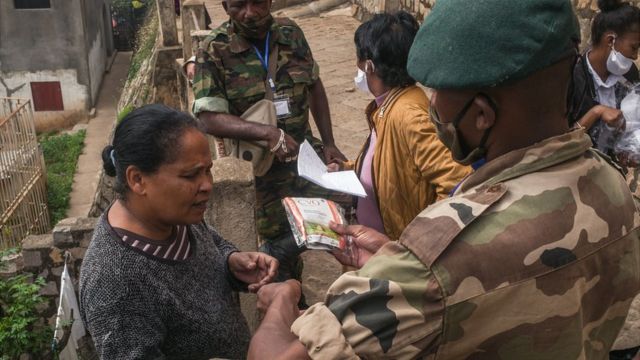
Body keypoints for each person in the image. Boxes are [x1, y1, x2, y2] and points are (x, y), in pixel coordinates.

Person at [248, 0, 640, 358]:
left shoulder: (441, 254)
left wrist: (282, 300)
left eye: (436, 92)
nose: (430, 103)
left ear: (482, 115)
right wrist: (401, 260)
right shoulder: (613, 186)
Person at [79, 105, 278, 359]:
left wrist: (230, 262)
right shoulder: (115, 281)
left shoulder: (176, 214)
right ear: (138, 180)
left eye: (208, 170)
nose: (207, 185)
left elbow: (211, 242)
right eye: (191, 175)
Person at [192, 0, 346, 288]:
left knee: (343, 210)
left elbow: (314, 85)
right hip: (262, 172)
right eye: (239, 6)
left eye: (258, 3)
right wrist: (268, 134)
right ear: (225, 6)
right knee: (279, 249)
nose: (250, 13)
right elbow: (207, 117)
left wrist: (329, 142)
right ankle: (291, 302)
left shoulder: (291, 33)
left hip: (305, 156)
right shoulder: (214, 50)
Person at [332, 11, 470, 240]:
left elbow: (457, 183)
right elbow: (389, 161)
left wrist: (415, 245)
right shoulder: (387, 106)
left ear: (369, 66)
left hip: (398, 253)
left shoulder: (408, 115)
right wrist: (348, 168)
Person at [569, 0, 640, 159]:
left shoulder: (629, 75)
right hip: (575, 174)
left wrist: (628, 151)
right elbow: (560, 142)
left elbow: (632, 126)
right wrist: (596, 112)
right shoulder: (572, 78)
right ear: (610, 41)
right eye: (634, 47)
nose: (635, 56)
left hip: (608, 173)